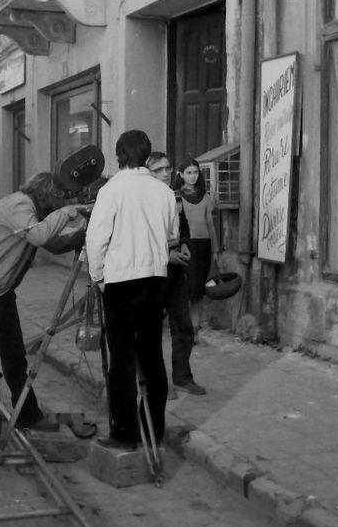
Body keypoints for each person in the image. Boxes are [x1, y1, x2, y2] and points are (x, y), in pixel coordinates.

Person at [0, 172, 89, 465]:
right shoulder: (20, 206)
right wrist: (69, 212)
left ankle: (28, 416)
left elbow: (54, 244)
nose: (63, 201)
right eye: (60, 197)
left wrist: (85, 233)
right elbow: (41, 235)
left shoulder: (31, 214)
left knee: (16, 356)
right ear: (47, 193)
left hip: (1, 289)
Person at [86, 130, 177, 450]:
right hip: (154, 279)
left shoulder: (112, 190)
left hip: (121, 281)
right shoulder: (164, 191)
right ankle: (155, 431)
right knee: (152, 355)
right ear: (147, 154)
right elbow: (171, 233)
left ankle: (124, 434)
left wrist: (98, 276)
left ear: (120, 155)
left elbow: (96, 238)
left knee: (122, 358)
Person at [146, 152, 206, 397]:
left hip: (175, 269)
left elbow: (183, 226)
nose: (165, 173)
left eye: (167, 168)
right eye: (158, 169)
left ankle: (182, 376)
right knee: (150, 331)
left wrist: (183, 244)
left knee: (183, 326)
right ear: (147, 173)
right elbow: (143, 236)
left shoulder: (173, 196)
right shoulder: (144, 198)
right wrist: (165, 254)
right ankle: (158, 384)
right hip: (152, 270)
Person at [174, 158, 220, 343]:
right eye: (189, 173)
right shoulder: (176, 196)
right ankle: (182, 331)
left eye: (195, 172)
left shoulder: (206, 196)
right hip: (186, 245)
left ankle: (195, 332)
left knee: (199, 291)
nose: (193, 176)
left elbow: (210, 223)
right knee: (186, 290)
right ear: (181, 175)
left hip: (204, 247)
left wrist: (215, 249)